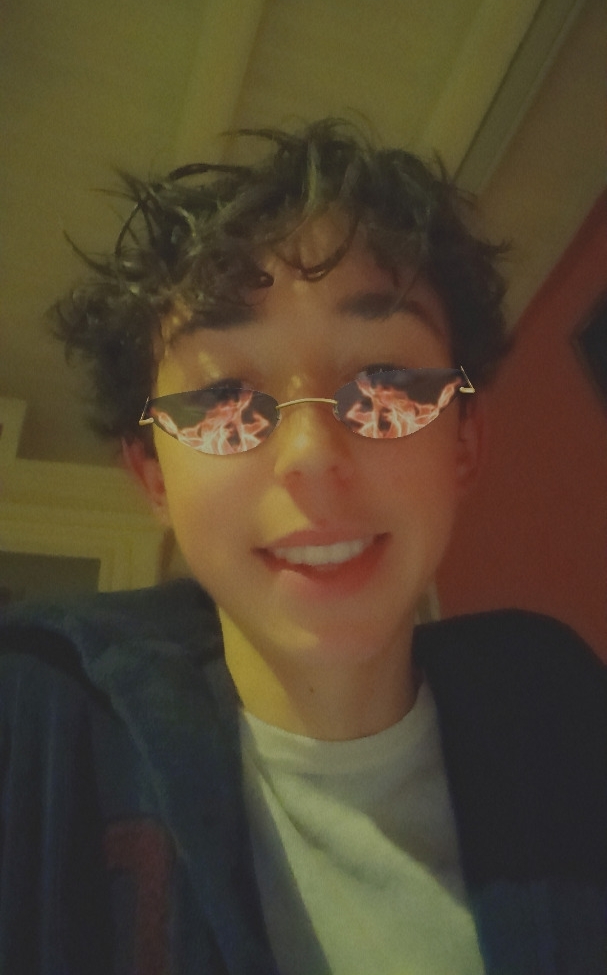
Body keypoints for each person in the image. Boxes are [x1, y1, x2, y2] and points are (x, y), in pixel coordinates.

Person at [1, 120, 605, 974]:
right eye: (222, 397)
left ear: (463, 442)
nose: (312, 456)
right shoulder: (36, 719)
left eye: (385, 384)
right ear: (154, 475)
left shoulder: (559, 707)